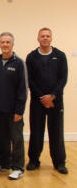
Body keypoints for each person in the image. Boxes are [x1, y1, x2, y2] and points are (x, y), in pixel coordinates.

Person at [26, 27, 68, 174]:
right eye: (42, 36)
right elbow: (29, 81)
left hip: (56, 101)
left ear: (51, 38)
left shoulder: (60, 56)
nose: (45, 38)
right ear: (38, 38)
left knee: (56, 132)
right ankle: (33, 160)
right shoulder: (31, 57)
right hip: (38, 101)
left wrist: (53, 96)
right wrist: (42, 97)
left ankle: (59, 162)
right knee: (36, 131)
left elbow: (63, 79)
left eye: (47, 36)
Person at [0, 32, 27, 180]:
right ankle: (4, 164)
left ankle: (18, 168)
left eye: (8, 42)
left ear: (12, 44)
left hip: (13, 111)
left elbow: (23, 89)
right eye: (2, 42)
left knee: (16, 139)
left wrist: (20, 110)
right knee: (1, 139)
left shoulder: (19, 63)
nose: (5, 45)